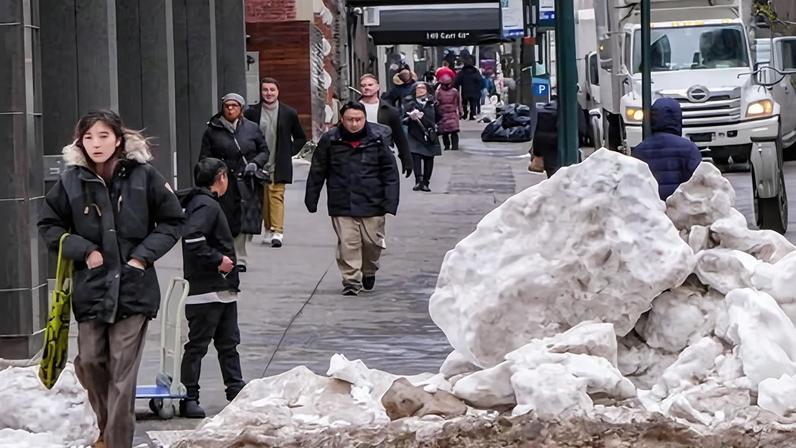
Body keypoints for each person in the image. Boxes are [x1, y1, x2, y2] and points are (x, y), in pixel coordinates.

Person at [38, 110, 184, 448]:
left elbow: (172, 220)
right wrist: (84, 250)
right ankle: (106, 430)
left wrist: (140, 258)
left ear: (117, 139)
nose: (96, 144)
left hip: (134, 289)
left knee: (122, 373)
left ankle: (118, 443)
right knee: (89, 362)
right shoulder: (71, 180)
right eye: (88, 137)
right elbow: (49, 225)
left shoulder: (144, 175)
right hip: (92, 288)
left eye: (103, 136)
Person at [305, 102, 400, 296]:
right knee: (348, 242)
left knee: (372, 243)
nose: (354, 124)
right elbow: (318, 170)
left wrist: (390, 201)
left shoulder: (378, 139)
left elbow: (390, 172)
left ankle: (369, 269)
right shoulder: (330, 140)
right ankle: (351, 280)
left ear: (365, 119)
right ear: (342, 119)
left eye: (359, 120)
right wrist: (311, 198)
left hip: (373, 200)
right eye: (350, 120)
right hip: (342, 199)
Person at [178, 158, 245, 418]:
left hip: (221, 289)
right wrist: (220, 261)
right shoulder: (206, 205)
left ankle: (236, 391)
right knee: (199, 345)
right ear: (221, 177)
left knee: (228, 343)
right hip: (208, 289)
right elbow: (193, 237)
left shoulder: (200, 202)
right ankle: (189, 396)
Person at [200, 93, 269, 270]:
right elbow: (205, 157)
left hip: (246, 180)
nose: (230, 109)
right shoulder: (212, 130)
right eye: (227, 106)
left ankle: (240, 257)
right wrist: (215, 173)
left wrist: (255, 163)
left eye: (234, 106)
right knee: (224, 218)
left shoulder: (252, 128)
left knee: (244, 219)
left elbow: (264, 150)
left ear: (241, 108)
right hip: (223, 181)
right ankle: (227, 255)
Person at [243, 77, 307, 248]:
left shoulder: (288, 113)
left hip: (279, 162)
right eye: (265, 90)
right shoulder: (251, 113)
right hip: (259, 162)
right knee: (263, 197)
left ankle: (278, 231)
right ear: (261, 92)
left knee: (276, 195)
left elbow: (301, 138)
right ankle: (268, 229)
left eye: (272, 90)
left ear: (278, 92)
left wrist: (289, 152)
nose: (269, 93)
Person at [632, 98, 702, 199]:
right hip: (680, 209)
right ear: (677, 118)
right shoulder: (689, 149)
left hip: (651, 209)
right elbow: (699, 183)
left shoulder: (639, 150)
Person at [358, 73, 413, 178]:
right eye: (363, 85)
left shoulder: (389, 110)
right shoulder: (353, 108)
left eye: (370, 85)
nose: (366, 88)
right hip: (358, 155)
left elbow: (399, 137)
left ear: (377, 86)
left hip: (383, 154)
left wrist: (407, 160)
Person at [404, 82, 442, 191]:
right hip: (414, 134)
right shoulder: (410, 103)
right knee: (416, 157)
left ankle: (426, 182)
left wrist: (436, 127)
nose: (420, 90)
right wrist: (410, 118)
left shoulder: (433, 103)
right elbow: (402, 118)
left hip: (429, 134)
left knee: (429, 158)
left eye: (422, 88)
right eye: (417, 88)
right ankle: (418, 181)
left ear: (427, 90)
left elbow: (440, 117)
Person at [434, 74, 463, 151]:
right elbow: (459, 102)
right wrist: (460, 111)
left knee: (445, 132)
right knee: (454, 131)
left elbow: (436, 103)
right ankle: (455, 146)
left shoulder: (438, 92)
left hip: (442, 114)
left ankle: (447, 146)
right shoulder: (455, 91)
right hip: (452, 113)